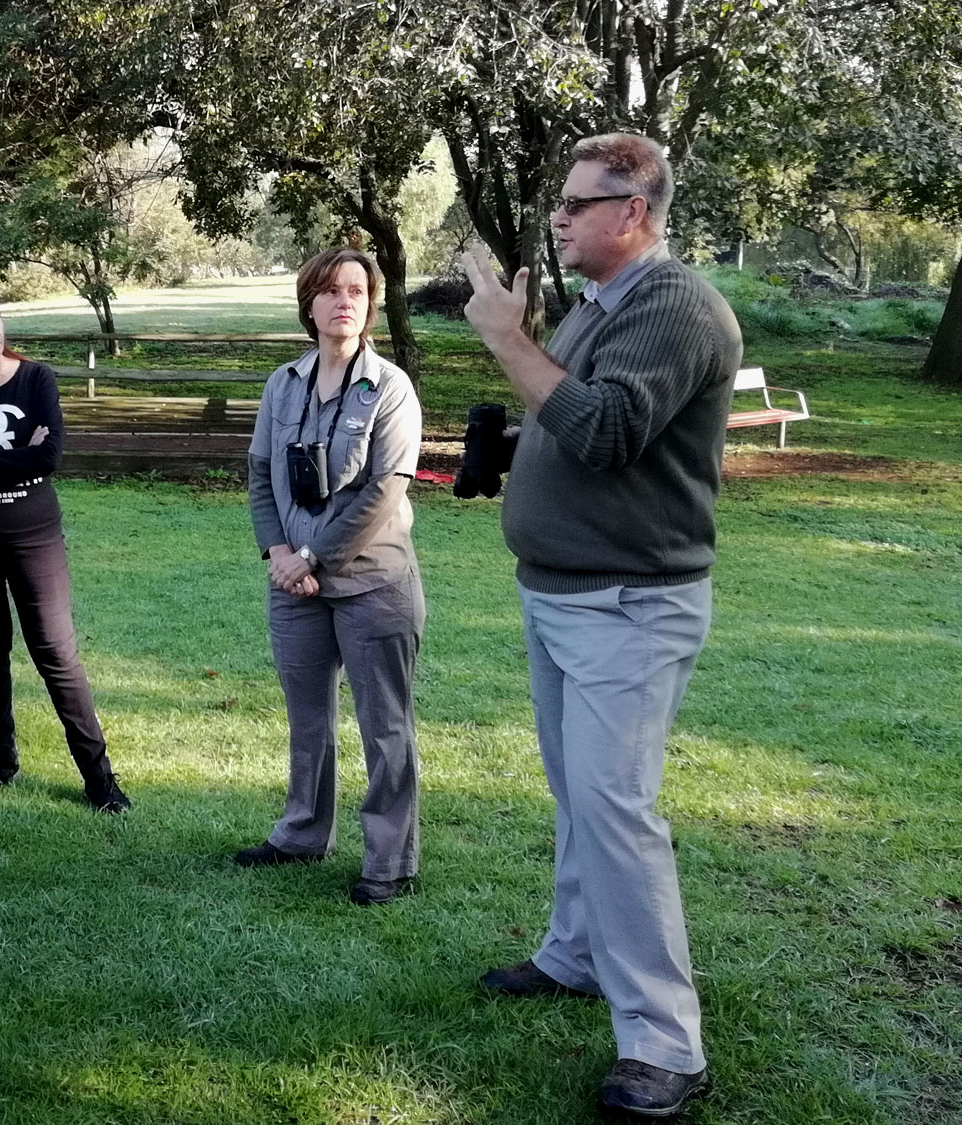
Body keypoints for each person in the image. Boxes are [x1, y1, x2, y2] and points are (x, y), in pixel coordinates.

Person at [460, 133, 740, 1118]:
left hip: (629, 604)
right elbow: (566, 419)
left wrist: (503, 335)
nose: (560, 217)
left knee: (617, 815)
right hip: (559, 593)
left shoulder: (676, 309)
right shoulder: (594, 310)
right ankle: (573, 955)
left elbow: (604, 430)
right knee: (579, 796)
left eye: (578, 204)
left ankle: (665, 1046)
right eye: (560, 204)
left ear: (633, 211)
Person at [233, 249, 425, 906]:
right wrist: (279, 553)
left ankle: (389, 861)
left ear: (369, 304)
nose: (345, 300)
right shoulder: (283, 382)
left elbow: (383, 490)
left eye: (357, 290)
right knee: (307, 719)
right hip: (293, 584)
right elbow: (262, 474)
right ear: (308, 304)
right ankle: (301, 832)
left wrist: (313, 557)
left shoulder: (391, 386)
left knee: (384, 725)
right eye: (331, 290)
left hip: (372, 582)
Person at [0, 282, 130, 814]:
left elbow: (48, 459)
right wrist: (6, 458)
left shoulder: (36, 378)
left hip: (33, 531)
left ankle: (98, 778)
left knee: (56, 652)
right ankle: (0, 760)